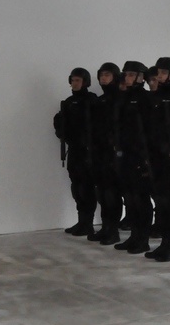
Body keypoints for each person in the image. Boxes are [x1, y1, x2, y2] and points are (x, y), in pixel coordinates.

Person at [113, 61, 154, 255]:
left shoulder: (145, 98)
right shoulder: (124, 97)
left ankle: (143, 238)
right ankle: (134, 236)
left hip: (140, 156)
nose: (127, 77)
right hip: (125, 154)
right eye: (126, 74)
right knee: (129, 198)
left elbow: (149, 130)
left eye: (131, 74)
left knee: (140, 198)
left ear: (140, 77)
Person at [145, 57, 170, 261]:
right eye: (158, 72)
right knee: (162, 203)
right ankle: (166, 243)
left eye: (163, 72)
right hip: (156, 157)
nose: (159, 76)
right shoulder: (156, 98)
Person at [53, 67, 98, 236]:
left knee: (87, 187)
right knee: (77, 186)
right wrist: (62, 133)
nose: (74, 83)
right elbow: (60, 122)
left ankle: (88, 223)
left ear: (85, 82)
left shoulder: (91, 101)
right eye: (72, 80)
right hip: (75, 150)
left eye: (78, 80)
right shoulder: (69, 102)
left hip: (88, 151)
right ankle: (81, 221)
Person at [89, 62, 123, 245]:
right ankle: (106, 227)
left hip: (114, 154)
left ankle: (113, 230)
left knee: (112, 193)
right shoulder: (100, 101)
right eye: (102, 75)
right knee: (102, 193)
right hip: (100, 153)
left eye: (107, 75)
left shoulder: (119, 99)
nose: (103, 78)